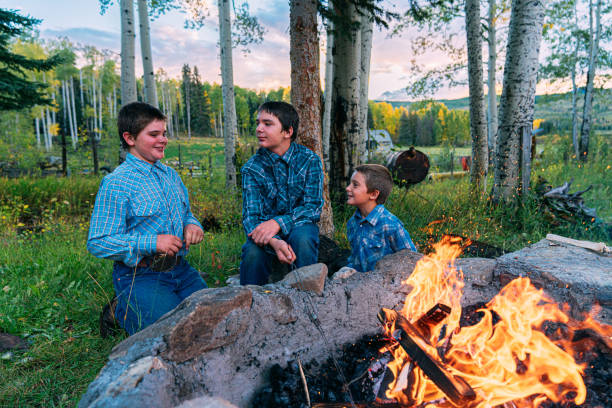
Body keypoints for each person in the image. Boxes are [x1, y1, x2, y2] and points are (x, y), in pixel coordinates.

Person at [87, 102, 207, 335]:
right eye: (154, 134)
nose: (163, 139)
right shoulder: (117, 183)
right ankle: (120, 310)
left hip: (180, 269)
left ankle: (139, 304)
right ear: (130, 138)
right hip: (140, 275)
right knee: (171, 335)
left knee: (214, 320)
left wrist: (193, 225)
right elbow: (98, 241)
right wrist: (152, 243)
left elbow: (186, 215)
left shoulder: (171, 176)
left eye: (164, 133)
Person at [240, 101, 324, 285]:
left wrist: (278, 222)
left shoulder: (310, 161)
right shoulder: (251, 169)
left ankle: (307, 295)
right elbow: (250, 218)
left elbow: (313, 208)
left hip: (299, 225)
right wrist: (274, 240)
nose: (259, 129)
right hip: (264, 234)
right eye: (258, 123)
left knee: (303, 239)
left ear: (287, 132)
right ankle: (249, 301)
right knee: (253, 253)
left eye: (267, 124)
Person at [335, 164, 417, 279]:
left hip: (386, 287)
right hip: (360, 286)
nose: (348, 188)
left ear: (373, 194)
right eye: (350, 184)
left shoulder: (389, 224)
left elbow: (411, 258)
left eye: (355, 185)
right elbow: (356, 258)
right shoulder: (353, 223)